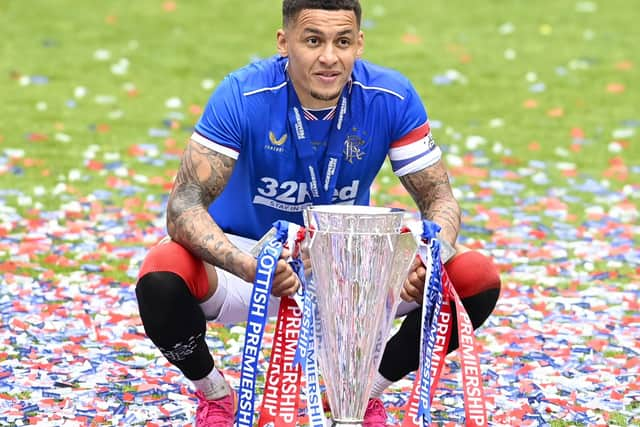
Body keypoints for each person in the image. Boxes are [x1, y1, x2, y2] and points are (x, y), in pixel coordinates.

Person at [135, 0, 501, 426]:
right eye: (313, 41)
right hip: (251, 260)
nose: (329, 57)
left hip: (347, 266)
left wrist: (431, 256)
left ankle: (362, 391)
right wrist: (249, 265)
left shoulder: (391, 96)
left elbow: (440, 199)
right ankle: (216, 394)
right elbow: (182, 207)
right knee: (161, 274)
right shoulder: (242, 94)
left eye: (342, 41)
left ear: (359, 44)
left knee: (475, 277)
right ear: (284, 42)